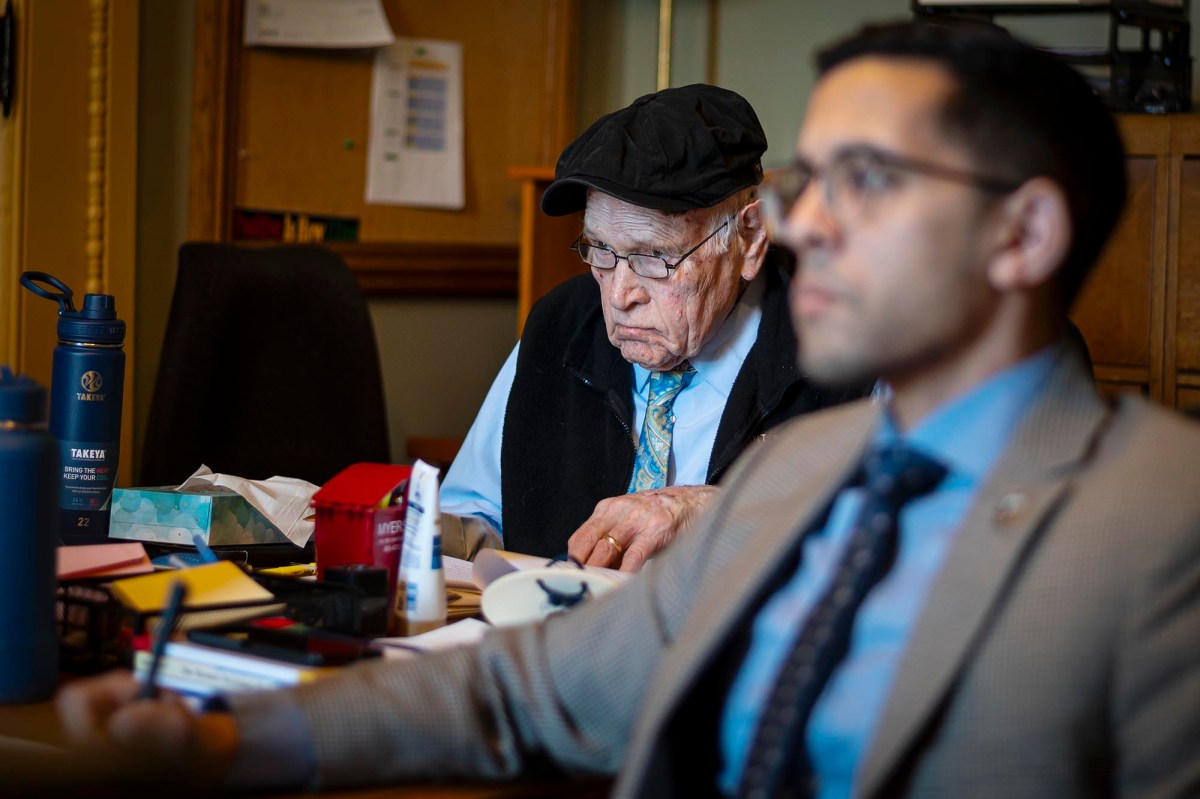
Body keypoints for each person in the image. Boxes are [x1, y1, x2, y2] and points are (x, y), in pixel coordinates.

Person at [58, 20, 1200, 798]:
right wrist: (225, 740)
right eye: (810, 185)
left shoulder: (1164, 521)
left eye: (872, 183)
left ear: (1024, 233)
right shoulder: (799, 481)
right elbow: (534, 686)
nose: (804, 229)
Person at [438, 83, 863, 571]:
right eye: (599, 251)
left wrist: (716, 511)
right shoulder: (562, 324)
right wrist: (407, 530)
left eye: (653, 258)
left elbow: (914, 531)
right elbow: (479, 515)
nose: (619, 296)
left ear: (749, 238)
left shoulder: (846, 350)